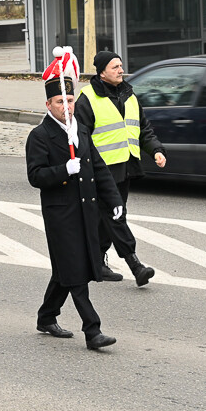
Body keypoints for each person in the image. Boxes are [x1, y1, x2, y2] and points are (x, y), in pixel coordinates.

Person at [28, 51, 124, 350]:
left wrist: (113, 199)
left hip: (85, 211)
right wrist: (63, 170)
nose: (67, 107)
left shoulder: (79, 130)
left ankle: (46, 316)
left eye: (70, 101)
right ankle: (92, 331)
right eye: (60, 102)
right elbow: (36, 176)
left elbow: (98, 167)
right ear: (48, 104)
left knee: (65, 270)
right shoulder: (40, 136)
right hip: (60, 215)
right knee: (75, 272)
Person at [74, 50, 164, 286]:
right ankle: (136, 266)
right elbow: (80, 139)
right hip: (101, 171)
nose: (121, 70)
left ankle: (97, 262)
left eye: (121, 66)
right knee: (116, 216)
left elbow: (143, 129)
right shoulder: (88, 98)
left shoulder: (129, 95)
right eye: (115, 67)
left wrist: (156, 150)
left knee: (108, 218)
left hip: (126, 166)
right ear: (102, 72)